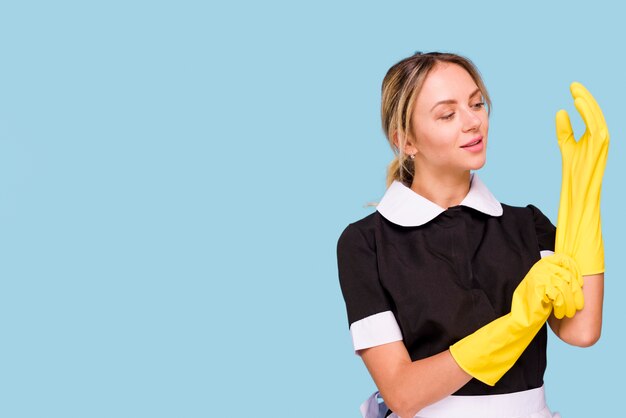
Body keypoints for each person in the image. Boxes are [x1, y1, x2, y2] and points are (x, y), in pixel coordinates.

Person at [336, 52, 607, 418]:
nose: (472, 122)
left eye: (477, 104)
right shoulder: (367, 244)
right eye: (447, 114)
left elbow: (581, 330)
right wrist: (515, 324)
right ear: (406, 141)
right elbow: (403, 394)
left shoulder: (526, 226)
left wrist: (583, 187)